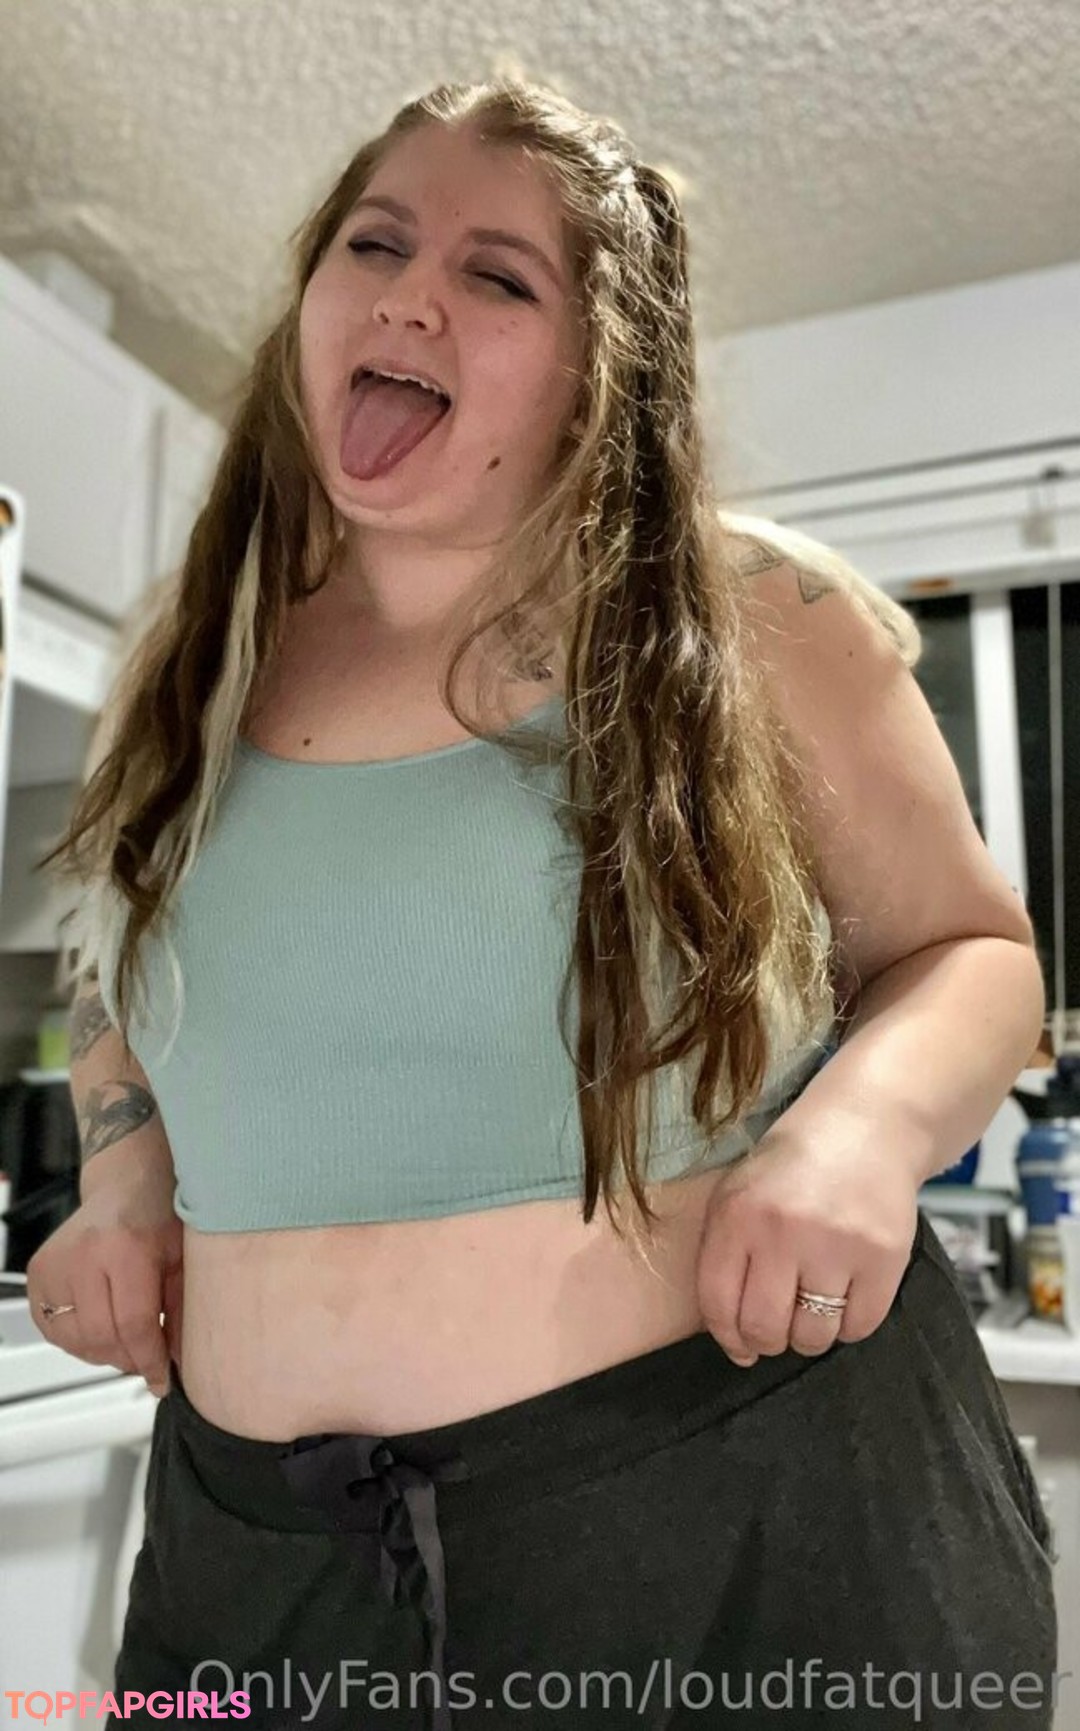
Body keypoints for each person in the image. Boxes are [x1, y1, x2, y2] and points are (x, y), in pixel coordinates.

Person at [30, 78, 1057, 1731]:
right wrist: (125, 1168)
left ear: (601, 374)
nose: (408, 295)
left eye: (497, 276)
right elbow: (116, 972)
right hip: (251, 1562)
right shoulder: (191, 652)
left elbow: (973, 952)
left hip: (727, 1526)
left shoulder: (751, 613)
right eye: (375, 244)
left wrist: (857, 1138)